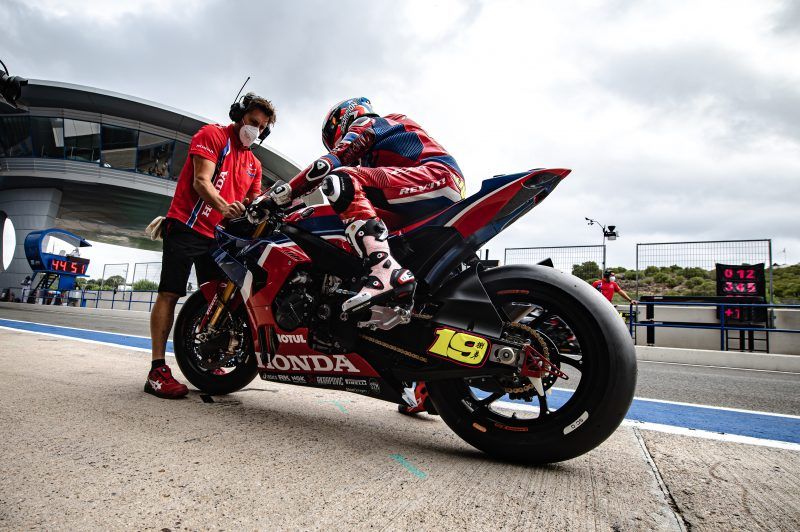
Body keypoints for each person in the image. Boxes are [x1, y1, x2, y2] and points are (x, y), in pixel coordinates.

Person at [268, 97, 464, 312]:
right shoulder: (378, 156)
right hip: (430, 191)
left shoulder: (372, 122)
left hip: (436, 175)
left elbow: (328, 163)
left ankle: (384, 269)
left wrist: (280, 195)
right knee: (369, 221)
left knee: (340, 178)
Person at [145, 93, 276, 399]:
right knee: (170, 293)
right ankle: (156, 370)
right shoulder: (212, 135)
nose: (255, 130)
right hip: (186, 227)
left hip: (217, 237)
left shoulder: (254, 164)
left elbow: (252, 202)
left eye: (262, 127)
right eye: (252, 122)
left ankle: (209, 357)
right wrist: (224, 206)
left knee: (218, 297)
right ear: (239, 115)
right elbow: (201, 181)